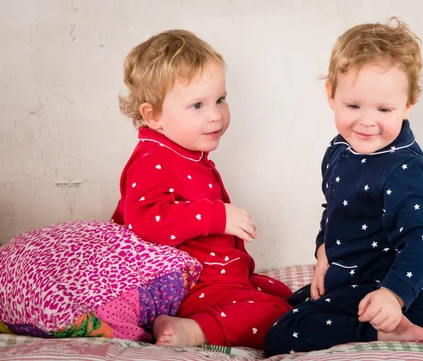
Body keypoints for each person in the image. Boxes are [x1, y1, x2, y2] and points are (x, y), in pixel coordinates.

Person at [265, 18, 423, 356]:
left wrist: (393, 295)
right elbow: (333, 211)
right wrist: (324, 251)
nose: (367, 121)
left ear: (408, 105)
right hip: (349, 280)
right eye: (353, 106)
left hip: (394, 298)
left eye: (384, 109)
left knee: (281, 333)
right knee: (275, 306)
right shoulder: (339, 150)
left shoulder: (404, 168)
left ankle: (389, 333)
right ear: (331, 95)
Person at [112, 29, 292, 349]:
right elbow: (144, 219)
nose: (215, 115)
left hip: (218, 277)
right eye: (197, 105)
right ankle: (193, 330)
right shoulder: (153, 159)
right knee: (275, 314)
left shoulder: (184, 154)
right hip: (190, 287)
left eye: (220, 100)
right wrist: (216, 215)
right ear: (153, 116)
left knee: (284, 295)